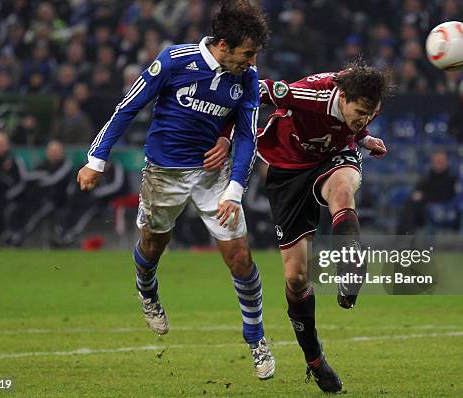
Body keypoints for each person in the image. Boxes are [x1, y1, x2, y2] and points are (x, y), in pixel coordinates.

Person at [75, 1, 275, 380]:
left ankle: (257, 340)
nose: (251, 63)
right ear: (223, 44)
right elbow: (127, 108)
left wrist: (234, 187)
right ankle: (147, 292)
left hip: (211, 176)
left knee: (240, 258)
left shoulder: (246, 77)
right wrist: (95, 160)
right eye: (247, 54)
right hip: (163, 175)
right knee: (153, 246)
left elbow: (248, 132)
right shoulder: (173, 61)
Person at [257, 60, 389, 392]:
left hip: (334, 156)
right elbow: (260, 88)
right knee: (296, 277)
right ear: (342, 97)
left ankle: (350, 263)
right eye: (359, 111)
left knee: (343, 190)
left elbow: (354, 124)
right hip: (288, 169)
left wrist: (363, 137)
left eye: (369, 114)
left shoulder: (360, 106)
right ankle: (314, 360)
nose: (364, 117)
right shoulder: (310, 96)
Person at [2, 140, 73, 246]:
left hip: (58, 200)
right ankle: (11, 233)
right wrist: (41, 176)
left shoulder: (66, 164)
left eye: (56, 151)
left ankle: (19, 236)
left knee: (37, 213)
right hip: (40, 198)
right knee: (18, 208)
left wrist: (40, 178)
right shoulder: (43, 164)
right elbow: (29, 177)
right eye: (51, 151)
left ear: (61, 152)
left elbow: (52, 180)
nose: (53, 154)